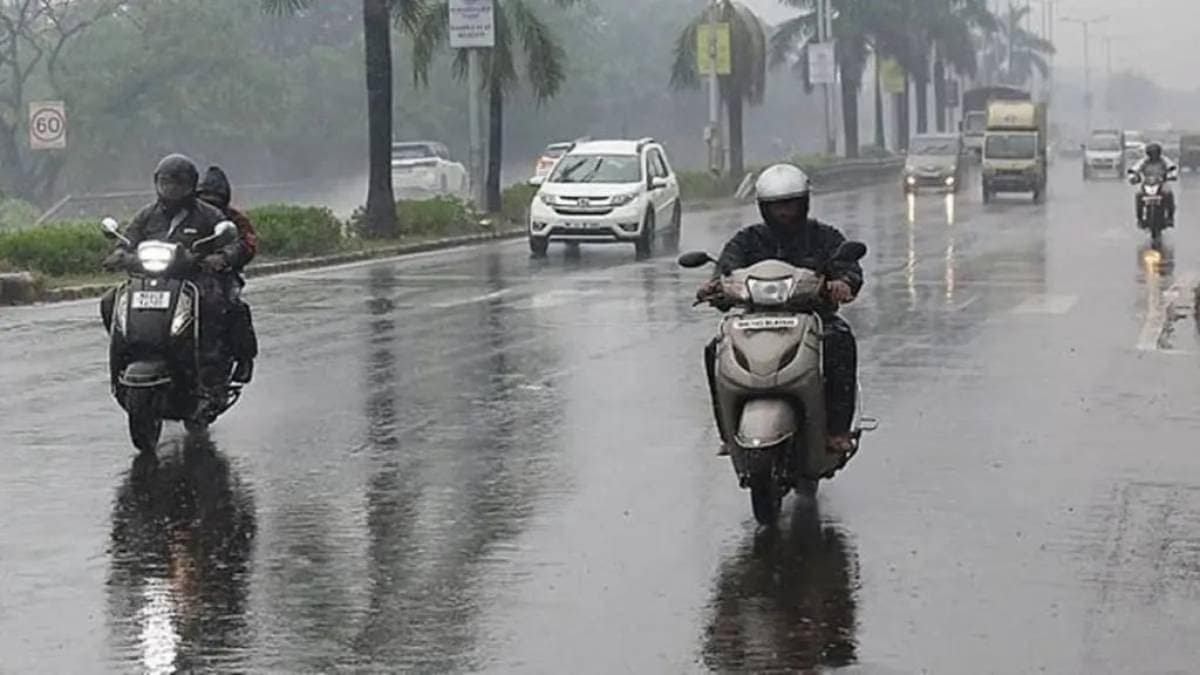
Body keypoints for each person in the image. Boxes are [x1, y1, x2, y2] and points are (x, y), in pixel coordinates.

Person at [697, 164, 863, 454]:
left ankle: (836, 430)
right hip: (753, 320)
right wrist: (714, 288)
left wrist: (843, 282)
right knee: (715, 349)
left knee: (840, 341)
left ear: (804, 203)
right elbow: (725, 272)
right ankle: (727, 432)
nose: (784, 212)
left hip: (814, 318)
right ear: (764, 208)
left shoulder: (824, 237)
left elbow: (847, 267)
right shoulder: (747, 240)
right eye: (777, 206)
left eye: (791, 204)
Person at [101, 154, 235, 394]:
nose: (172, 189)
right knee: (110, 300)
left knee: (213, 302)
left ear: (191, 185)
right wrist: (119, 253)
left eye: (178, 183)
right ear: (157, 183)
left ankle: (210, 360)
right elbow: (128, 239)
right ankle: (126, 349)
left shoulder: (208, 214)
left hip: (192, 278)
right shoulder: (147, 214)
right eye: (166, 183)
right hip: (149, 280)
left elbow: (230, 243)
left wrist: (221, 257)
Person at [196, 166, 258, 384]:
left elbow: (247, 243)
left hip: (222, 276)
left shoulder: (234, 219)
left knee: (233, 308)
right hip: (185, 275)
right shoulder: (185, 216)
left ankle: (244, 359)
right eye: (204, 198)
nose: (209, 202)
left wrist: (225, 257)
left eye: (214, 198)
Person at [1129, 142, 1178, 225]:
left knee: (1169, 194)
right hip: (1147, 184)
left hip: (1162, 183)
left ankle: (1170, 217)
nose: (1153, 155)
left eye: (1155, 153)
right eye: (1152, 153)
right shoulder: (1144, 161)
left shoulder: (1163, 160)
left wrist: (1172, 175)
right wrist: (1133, 177)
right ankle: (1140, 219)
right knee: (1139, 196)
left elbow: (1172, 167)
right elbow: (1135, 169)